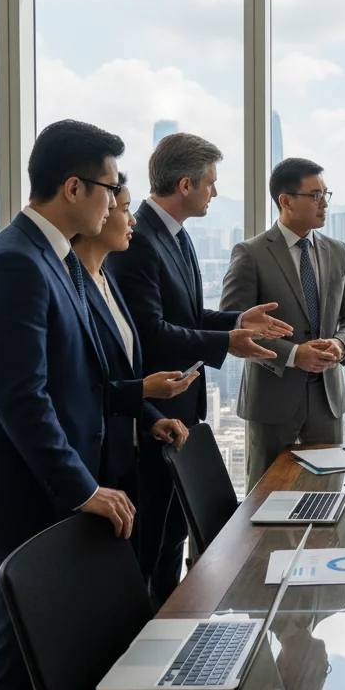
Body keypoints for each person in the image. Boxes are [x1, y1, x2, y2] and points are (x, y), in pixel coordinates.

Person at [0, 119, 138, 690]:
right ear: (73, 187)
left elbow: (76, 380)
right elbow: (21, 399)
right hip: (18, 496)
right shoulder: (13, 264)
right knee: (16, 670)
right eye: (113, 188)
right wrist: (83, 487)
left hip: (48, 490)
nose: (117, 203)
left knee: (36, 665)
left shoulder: (51, 259)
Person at [109, 133, 292, 604]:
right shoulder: (138, 240)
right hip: (152, 413)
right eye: (210, 183)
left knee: (171, 540)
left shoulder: (177, 235)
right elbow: (148, 331)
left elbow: (186, 318)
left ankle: (169, 636)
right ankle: (145, 648)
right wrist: (225, 341)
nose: (215, 191)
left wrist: (236, 322)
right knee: (149, 547)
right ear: (185, 184)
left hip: (182, 412)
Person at [220, 157, 345, 491]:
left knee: (328, 497)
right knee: (266, 499)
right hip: (272, 400)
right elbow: (233, 329)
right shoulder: (251, 253)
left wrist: (341, 344)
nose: (324, 203)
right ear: (285, 201)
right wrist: (292, 354)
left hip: (327, 398)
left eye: (326, 194)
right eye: (315, 195)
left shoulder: (337, 252)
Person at [72, 173, 193, 525]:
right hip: (94, 464)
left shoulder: (107, 279)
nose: (132, 220)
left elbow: (117, 373)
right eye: (123, 209)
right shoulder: (69, 285)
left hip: (127, 454)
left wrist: (153, 417)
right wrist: (144, 389)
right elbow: (79, 387)